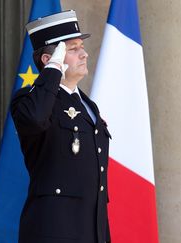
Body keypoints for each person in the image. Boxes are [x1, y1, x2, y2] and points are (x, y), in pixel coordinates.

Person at [11, 10, 111, 243]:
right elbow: (35, 118)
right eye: (73, 49)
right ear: (49, 60)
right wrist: (53, 69)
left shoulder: (87, 105)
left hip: (91, 230)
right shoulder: (29, 100)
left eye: (81, 47)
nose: (84, 54)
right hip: (54, 230)